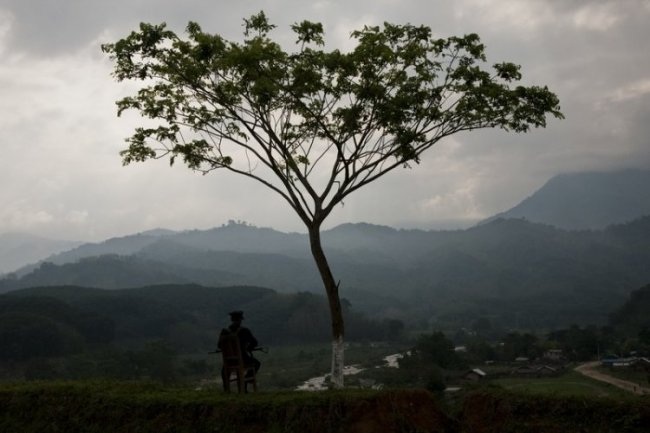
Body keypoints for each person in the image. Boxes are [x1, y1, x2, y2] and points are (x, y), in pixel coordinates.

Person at [217, 310, 261, 389]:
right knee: (257, 363)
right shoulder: (244, 331)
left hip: (229, 361)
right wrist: (248, 348)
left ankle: (226, 388)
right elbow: (254, 342)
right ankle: (245, 381)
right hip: (243, 360)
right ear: (240, 320)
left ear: (231, 320)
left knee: (224, 370)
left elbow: (219, 346)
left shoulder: (224, 332)